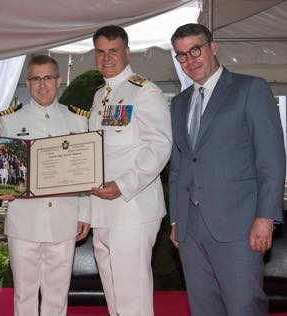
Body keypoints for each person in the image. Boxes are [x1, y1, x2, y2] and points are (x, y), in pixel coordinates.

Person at [168, 23, 286, 316]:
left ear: (213, 47)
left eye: (195, 50)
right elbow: (179, 164)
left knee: (244, 306)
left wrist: (266, 217)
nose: (189, 60)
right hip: (190, 228)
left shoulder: (251, 88)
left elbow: (271, 159)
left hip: (240, 226)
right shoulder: (180, 103)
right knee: (203, 309)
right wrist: (175, 221)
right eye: (181, 55)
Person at [88, 25, 172, 316]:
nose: (106, 58)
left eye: (113, 51)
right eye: (100, 51)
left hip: (132, 206)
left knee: (131, 292)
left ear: (127, 52)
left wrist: (123, 185)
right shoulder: (100, 96)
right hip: (102, 208)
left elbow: (160, 146)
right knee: (113, 289)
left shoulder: (145, 91)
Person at [0, 55, 91, 316]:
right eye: (36, 79)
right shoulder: (10, 121)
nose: (42, 85)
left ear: (58, 80)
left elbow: (86, 171)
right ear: (27, 83)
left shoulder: (77, 120)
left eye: (48, 78)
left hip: (64, 218)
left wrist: (85, 212)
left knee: (57, 294)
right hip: (23, 220)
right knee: (24, 294)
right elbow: (2, 170)